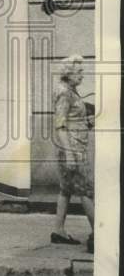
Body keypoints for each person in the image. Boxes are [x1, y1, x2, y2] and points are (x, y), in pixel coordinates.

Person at [50, 55, 94, 253]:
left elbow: (71, 119)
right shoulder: (64, 93)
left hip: (74, 146)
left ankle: (58, 231)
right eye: (79, 72)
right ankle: (99, 235)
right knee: (86, 190)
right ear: (68, 74)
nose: (82, 75)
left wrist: (87, 122)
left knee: (66, 189)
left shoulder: (70, 90)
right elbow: (60, 125)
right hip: (72, 149)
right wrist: (69, 155)